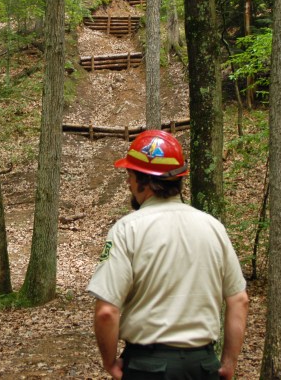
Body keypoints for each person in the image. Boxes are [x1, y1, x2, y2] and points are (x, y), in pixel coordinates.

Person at [87, 130, 249, 380]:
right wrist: (228, 363)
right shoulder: (213, 227)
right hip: (203, 366)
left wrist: (110, 362)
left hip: (147, 367)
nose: (128, 183)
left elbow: (107, 312)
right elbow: (239, 300)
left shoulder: (127, 229)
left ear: (144, 181)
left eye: (129, 176)